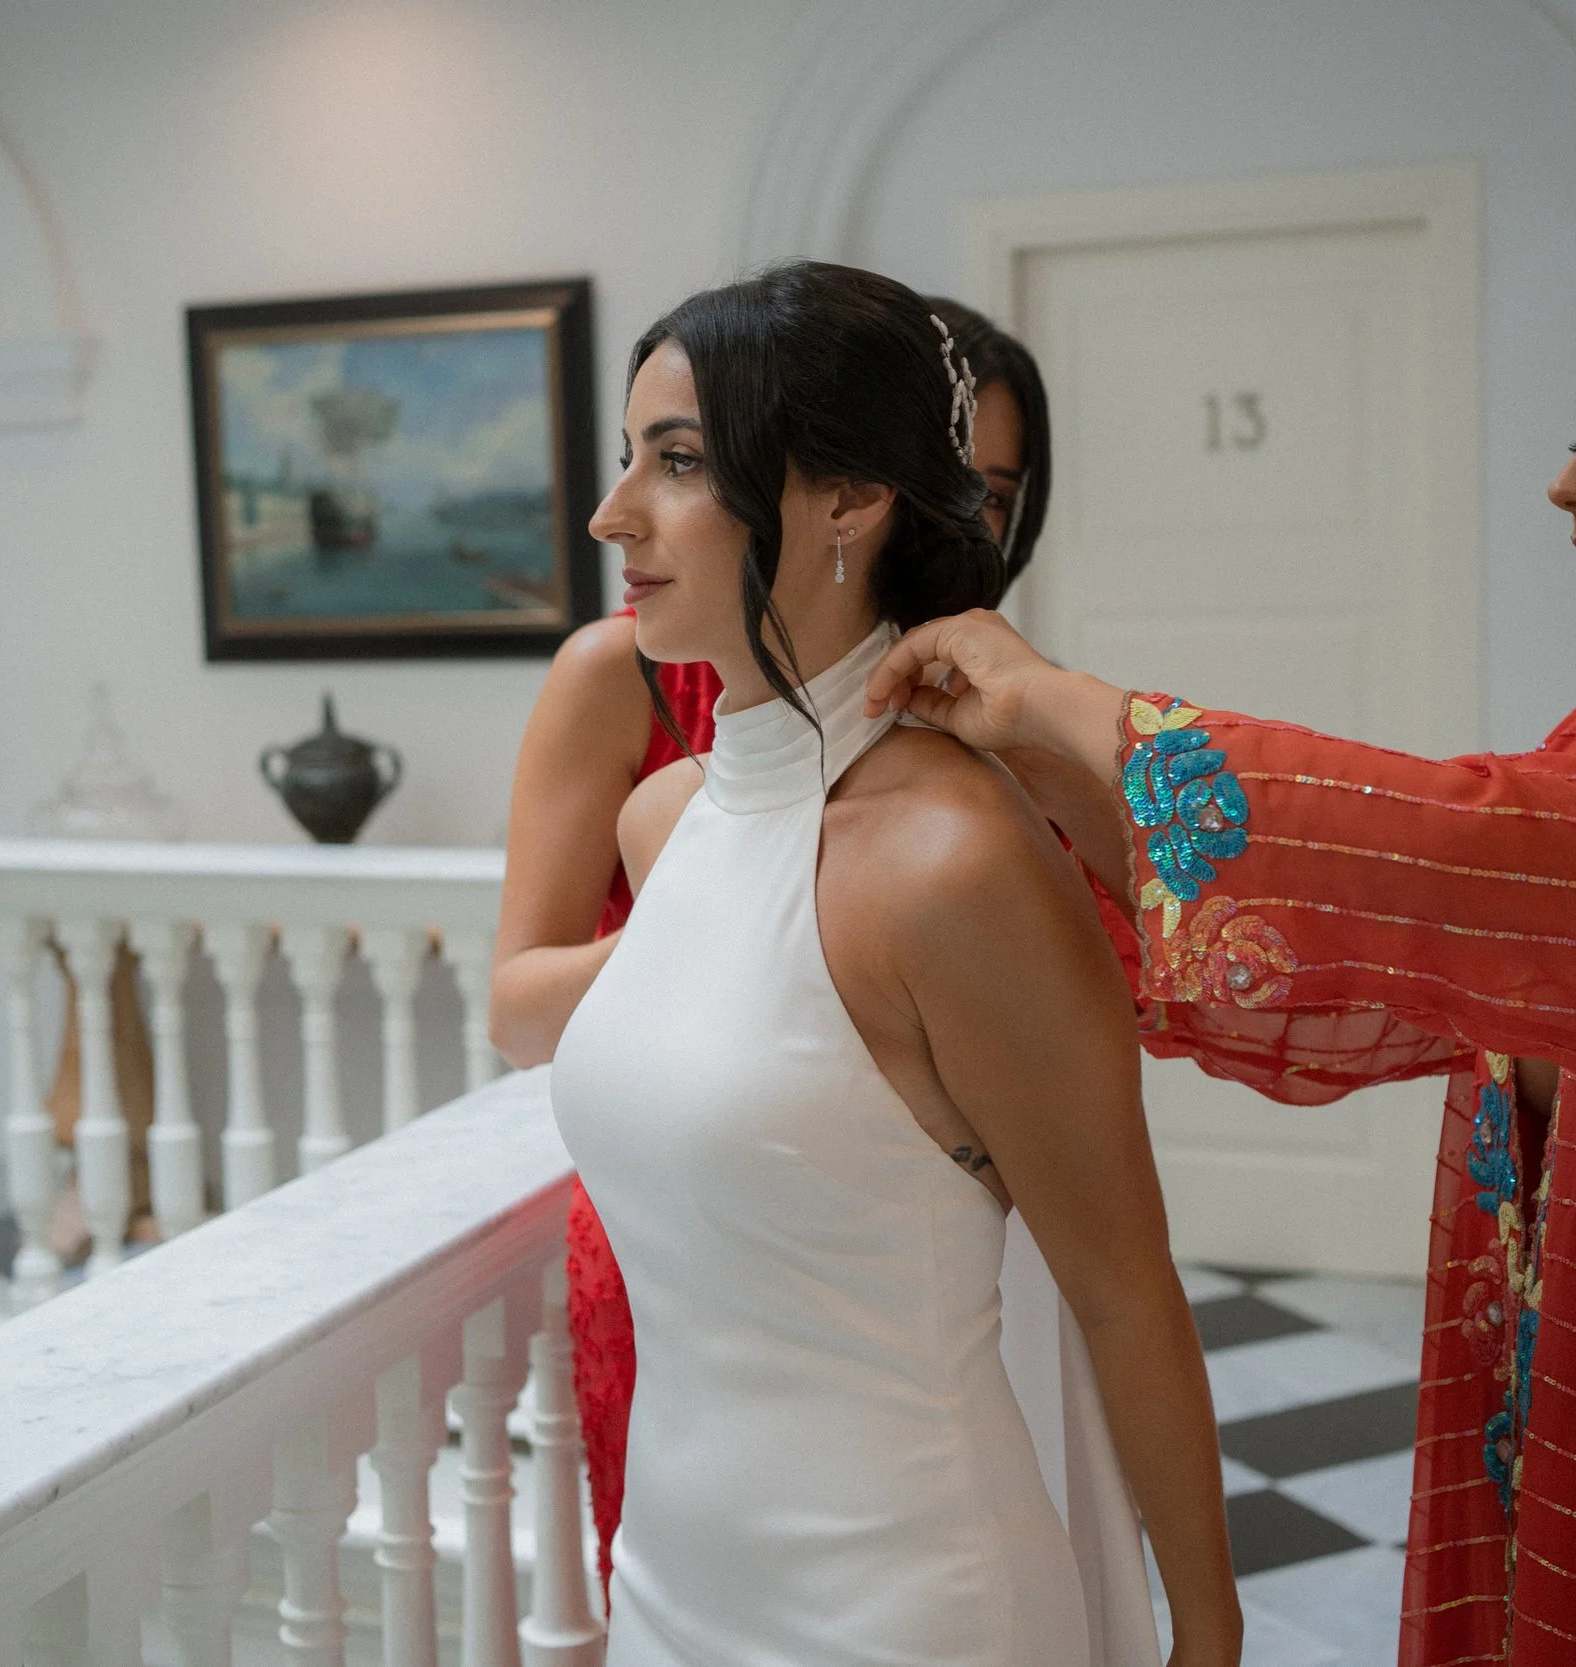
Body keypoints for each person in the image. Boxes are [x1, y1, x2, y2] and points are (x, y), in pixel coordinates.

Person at [866, 241, 1576, 1666]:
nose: (1571, 480)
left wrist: (1067, 703)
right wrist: (1026, 780)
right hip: (1574, 1455)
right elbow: (1385, 961)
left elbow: (1470, 853)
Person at [550, 260, 1239, 1666]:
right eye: (630, 458)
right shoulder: (664, 820)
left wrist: (1206, 1636)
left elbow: (1123, 1287)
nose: (612, 513)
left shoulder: (952, 857)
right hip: (672, 1575)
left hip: (909, 1599)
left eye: (677, 461)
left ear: (849, 498)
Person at [487, 298, 1053, 1588]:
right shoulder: (625, 683)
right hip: (690, 1214)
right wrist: (744, 919)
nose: (970, 518)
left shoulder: (979, 725)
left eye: (996, 494)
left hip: (930, 1252)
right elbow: (516, 1009)